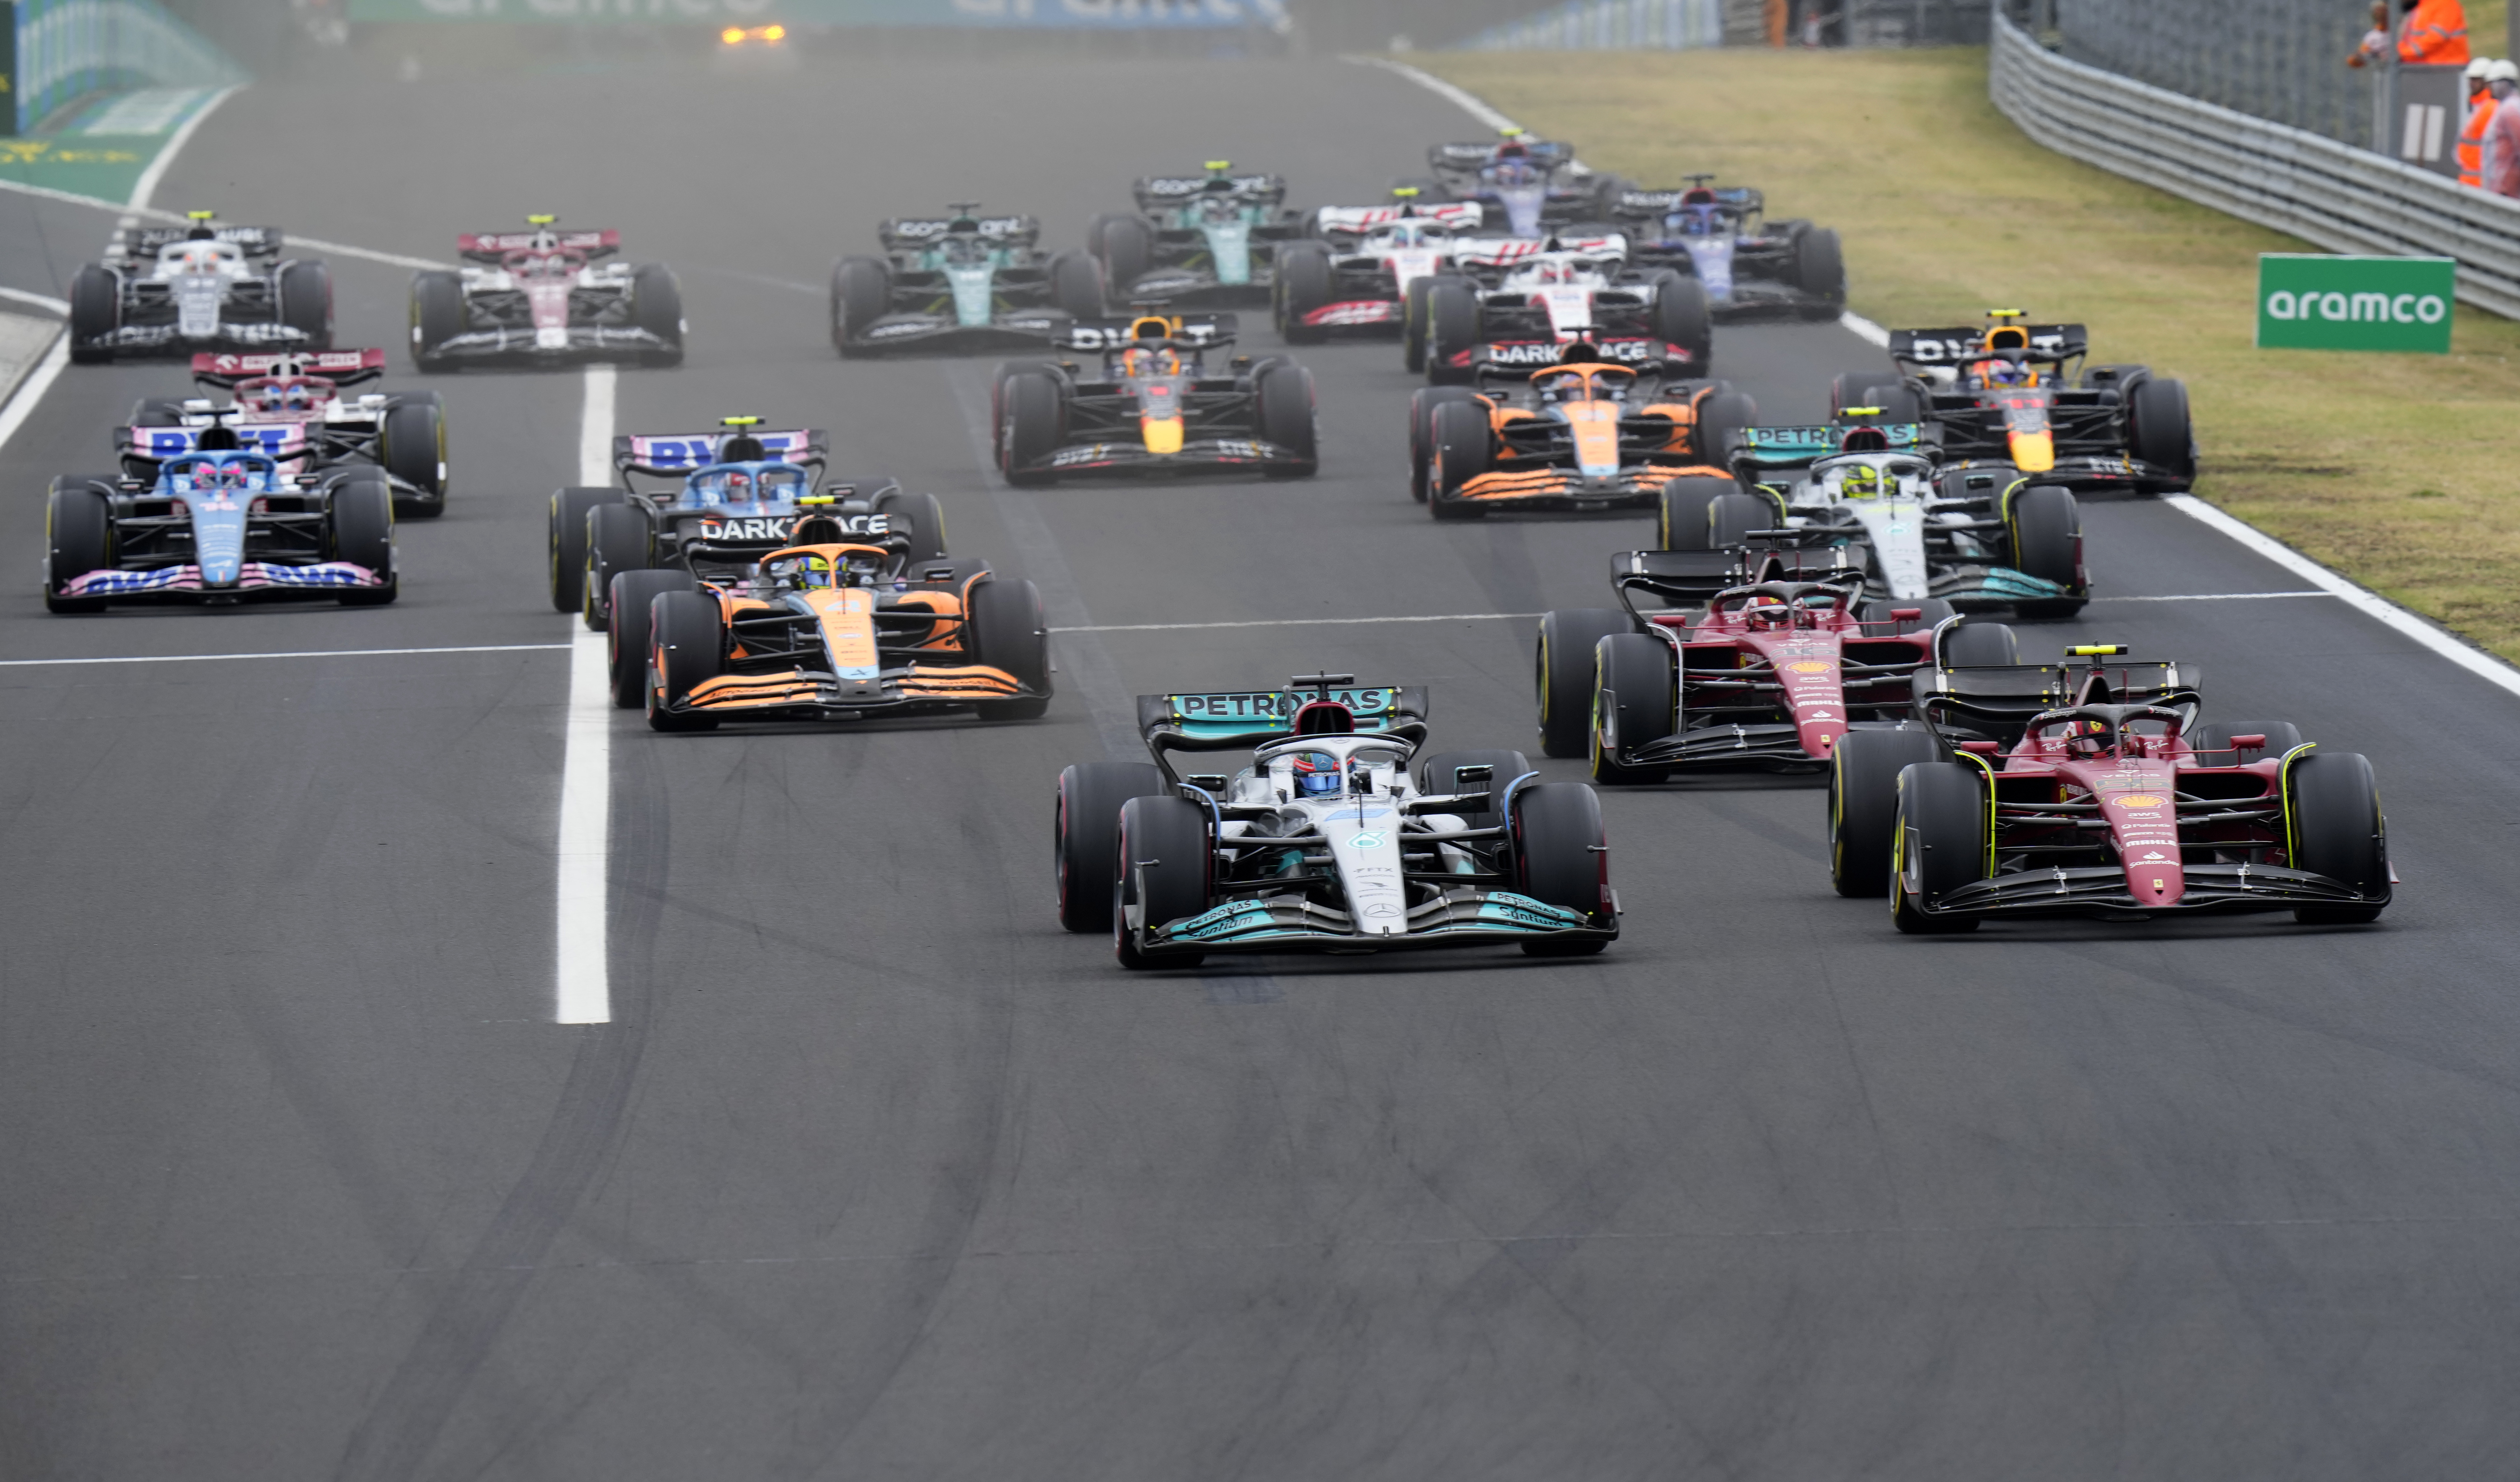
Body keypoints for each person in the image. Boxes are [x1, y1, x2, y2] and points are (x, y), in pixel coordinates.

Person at [2483, 59, 2520, 195]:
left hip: (2506, 187)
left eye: (2492, 83)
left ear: (2504, 84)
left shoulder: (2510, 110)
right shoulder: (2505, 107)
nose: (2490, 88)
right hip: (2501, 185)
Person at [2458, 57, 2496, 186]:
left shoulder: (2490, 108)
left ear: (2487, 82)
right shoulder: (2478, 107)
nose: (2471, 83)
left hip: (2480, 183)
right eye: (2471, 79)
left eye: (2476, 80)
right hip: (2469, 181)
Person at [2397, 0, 2470, 65]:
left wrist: (2403, 54)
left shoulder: (2446, 4)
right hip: (2424, 68)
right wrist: (2398, 52)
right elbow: (2409, 39)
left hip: (2447, 69)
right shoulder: (2421, 5)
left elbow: (2436, 38)